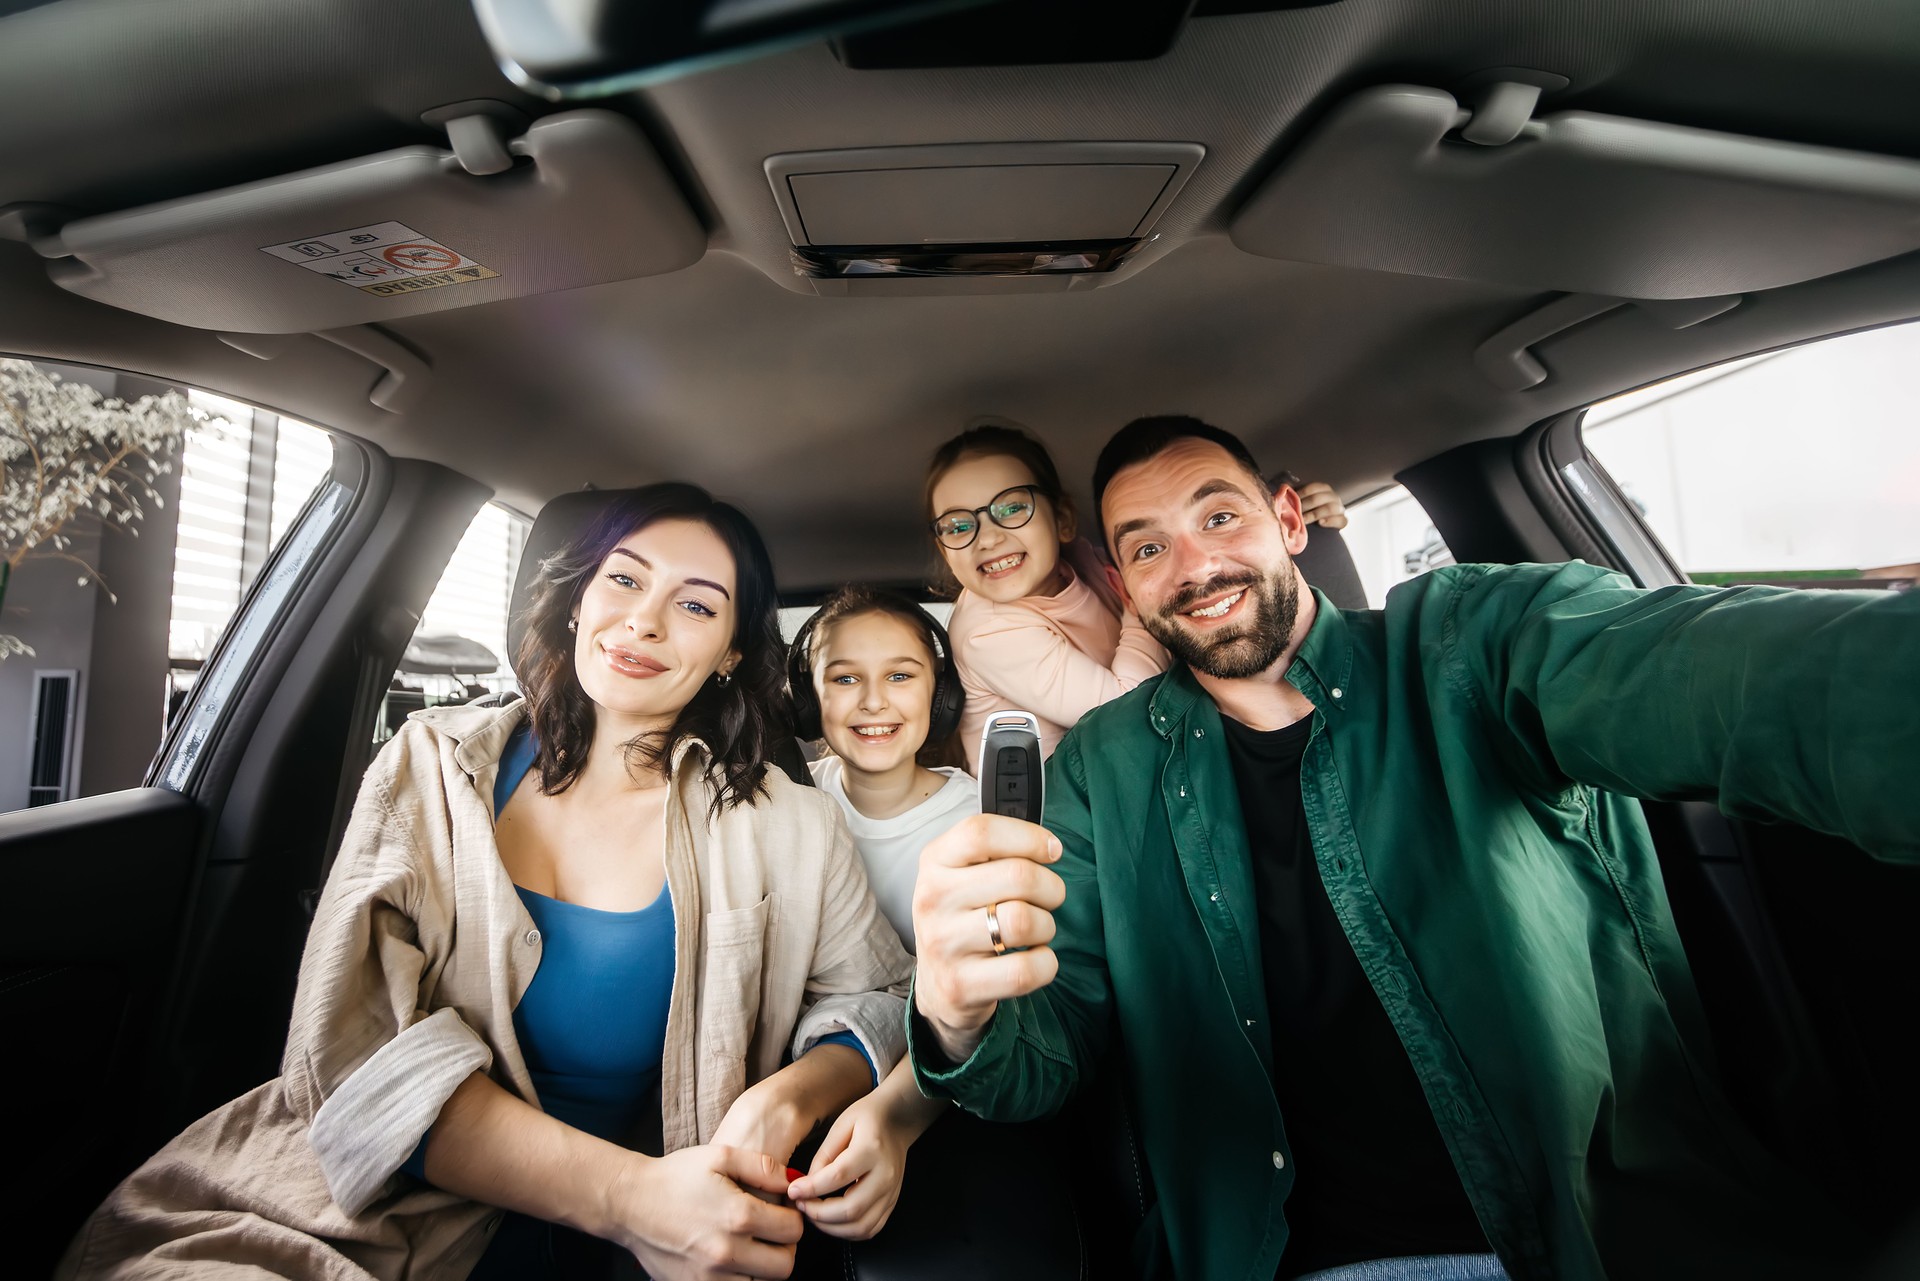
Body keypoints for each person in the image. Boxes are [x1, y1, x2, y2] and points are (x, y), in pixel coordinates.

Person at [905, 415, 1919, 1281]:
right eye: (1148, 548)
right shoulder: (1103, 773)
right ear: (1124, 584)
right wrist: (955, 1016)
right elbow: (1034, 1069)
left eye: (1220, 517)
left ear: (1290, 520)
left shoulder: (1471, 639)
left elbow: (1730, 675)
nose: (1197, 566)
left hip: (1597, 1241)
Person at [61, 483, 914, 1281]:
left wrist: (789, 1098)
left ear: (730, 651)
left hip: (671, 1230)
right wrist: (632, 1200)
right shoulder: (428, 769)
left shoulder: (787, 819)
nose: (644, 622)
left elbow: (880, 996)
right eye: (624, 579)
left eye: (694, 603)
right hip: (360, 1211)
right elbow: (352, 1057)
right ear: (580, 598)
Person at [925, 422, 1346, 771]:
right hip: (1067, 816)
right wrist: (1137, 605)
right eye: (958, 526)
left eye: (1013, 508)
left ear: (1064, 520)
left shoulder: (1081, 560)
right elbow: (1129, 708)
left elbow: (1183, 537)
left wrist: (1290, 510)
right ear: (944, 549)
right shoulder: (984, 631)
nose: (989, 537)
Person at [776, 586, 980, 1240]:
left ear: (940, 695)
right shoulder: (783, 801)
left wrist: (899, 1114)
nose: (873, 700)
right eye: (844, 678)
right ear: (807, 699)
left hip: (939, 1086)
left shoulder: (980, 818)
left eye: (900, 674)